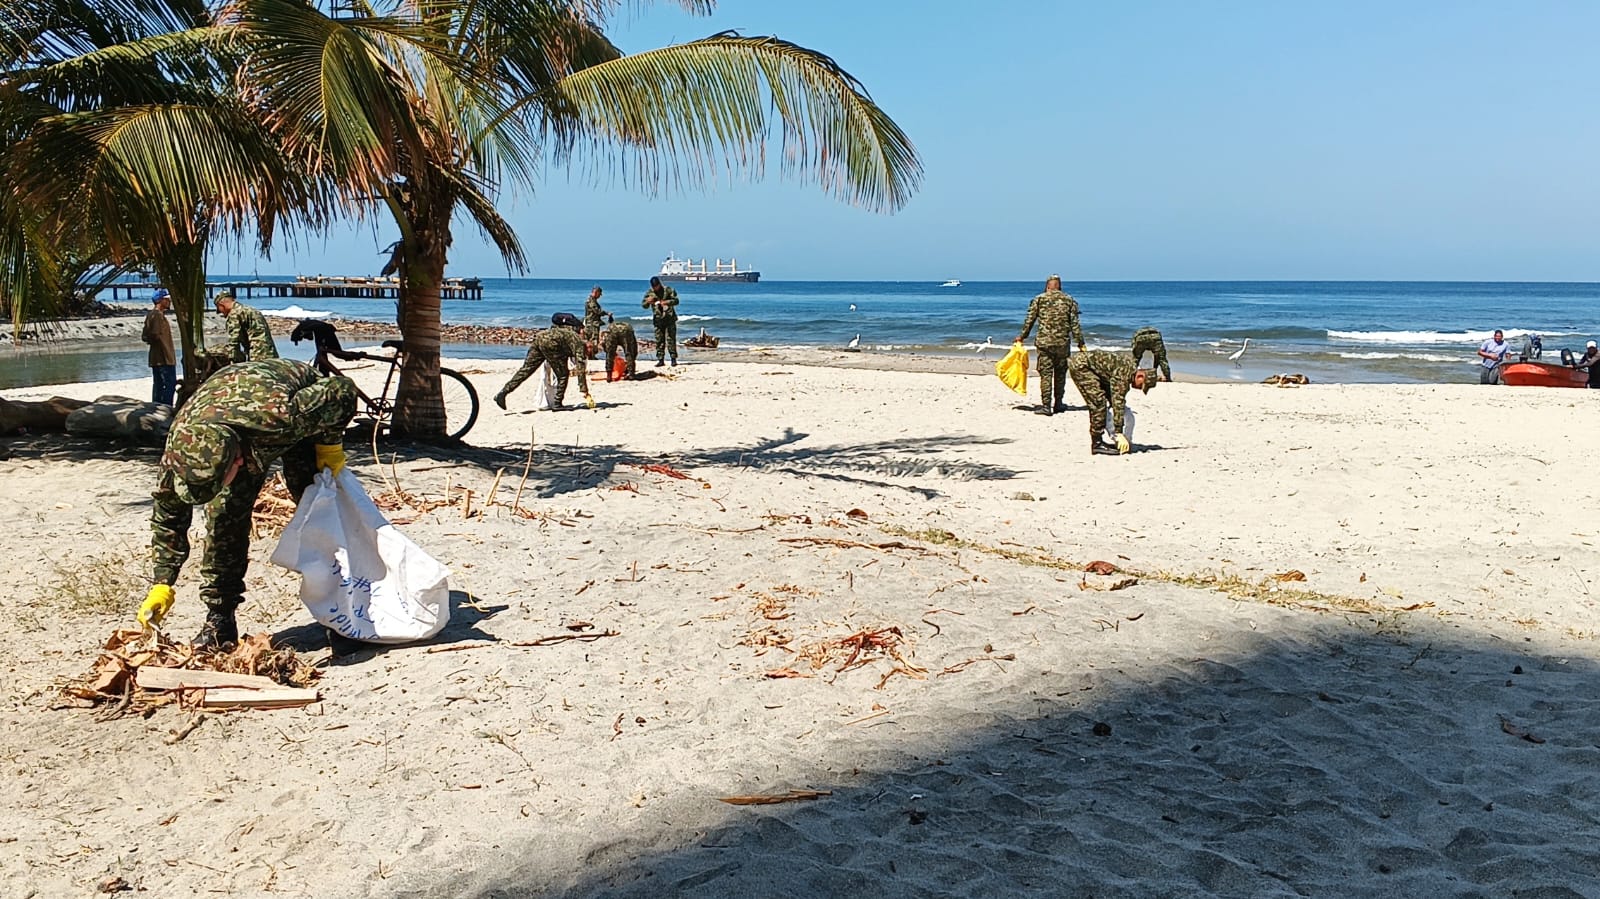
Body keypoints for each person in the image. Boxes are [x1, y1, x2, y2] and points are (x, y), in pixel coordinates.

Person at [136, 359, 357, 647]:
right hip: (231, 413)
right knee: (224, 518)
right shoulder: (181, 449)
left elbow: (342, 390)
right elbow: (168, 516)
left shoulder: (283, 417)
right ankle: (220, 620)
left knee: (317, 510)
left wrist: (329, 444)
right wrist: (162, 582)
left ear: (238, 461)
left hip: (294, 405)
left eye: (215, 484)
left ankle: (342, 613)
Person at [1016, 274, 1086, 415]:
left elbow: (1029, 320)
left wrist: (1022, 337)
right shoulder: (1069, 300)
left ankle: (1046, 406)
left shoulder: (1039, 299)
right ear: (1059, 286)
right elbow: (1075, 325)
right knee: (1060, 374)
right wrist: (1080, 343)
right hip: (1062, 344)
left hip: (1044, 343)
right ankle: (1058, 403)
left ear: (1048, 286)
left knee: (1046, 375)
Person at [1067, 349, 1156, 456]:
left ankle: (1100, 441)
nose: (1139, 389)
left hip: (1094, 369)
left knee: (1105, 400)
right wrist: (1119, 433)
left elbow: (1116, 401)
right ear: (1140, 376)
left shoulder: (1129, 370)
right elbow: (1118, 403)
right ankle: (1097, 444)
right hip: (1082, 367)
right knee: (1098, 403)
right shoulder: (1124, 376)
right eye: (1142, 386)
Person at [494, 321, 595, 411]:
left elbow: (564, 353)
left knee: (526, 370)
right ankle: (557, 403)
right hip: (552, 344)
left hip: (541, 338)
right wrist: (584, 391)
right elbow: (580, 370)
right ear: (589, 347)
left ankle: (503, 393)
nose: (586, 356)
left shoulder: (575, 339)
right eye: (588, 354)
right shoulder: (580, 345)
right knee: (563, 375)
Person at [208, 290, 279, 364]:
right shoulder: (250, 310)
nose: (221, 313)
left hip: (257, 355)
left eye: (219, 309)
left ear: (221, 304)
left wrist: (232, 361)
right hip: (271, 353)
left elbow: (234, 340)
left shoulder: (234, 314)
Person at [142, 289, 177, 406]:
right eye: (167, 299)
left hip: (159, 357)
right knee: (168, 384)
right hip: (163, 357)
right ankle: (164, 407)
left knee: (159, 384)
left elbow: (146, 335)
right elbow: (154, 334)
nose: (169, 301)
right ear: (161, 300)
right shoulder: (157, 315)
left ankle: (157, 406)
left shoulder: (154, 315)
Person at [642, 276, 680, 367]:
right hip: (658, 319)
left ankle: (673, 359)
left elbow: (676, 301)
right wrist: (648, 302)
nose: (656, 288)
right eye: (654, 287)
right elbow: (644, 305)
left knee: (671, 339)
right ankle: (660, 359)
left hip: (670, 318)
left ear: (660, 284)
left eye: (657, 286)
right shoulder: (650, 293)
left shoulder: (668, 290)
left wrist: (667, 302)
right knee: (659, 340)